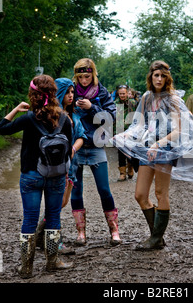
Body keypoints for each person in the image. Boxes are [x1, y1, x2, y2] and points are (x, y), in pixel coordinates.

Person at [111, 60, 193, 251]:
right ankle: (157, 236)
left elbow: (179, 130)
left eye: (163, 76)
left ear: (167, 78)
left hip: (165, 149)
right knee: (140, 195)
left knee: (161, 192)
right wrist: (125, 135)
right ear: (151, 76)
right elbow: (139, 124)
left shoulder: (173, 99)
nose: (159, 79)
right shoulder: (146, 97)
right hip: (148, 148)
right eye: (156, 75)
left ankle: (155, 238)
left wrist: (158, 144)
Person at [0, 74, 72, 278]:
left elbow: (1, 129)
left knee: (30, 218)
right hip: (56, 175)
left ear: (33, 95)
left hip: (31, 175)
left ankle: (26, 267)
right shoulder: (65, 119)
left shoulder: (29, 118)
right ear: (55, 94)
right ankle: (52, 261)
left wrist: (15, 110)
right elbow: (69, 150)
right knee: (53, 217)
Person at [70, 58, 121, 246]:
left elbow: (111, 117)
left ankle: (114, 230)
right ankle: (81, 232)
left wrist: (92, 108)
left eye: (88, 76)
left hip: (96, 146)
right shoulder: (70, 90)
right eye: (80, 76)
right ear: (76, 76)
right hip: (75, 147)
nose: (84, 80)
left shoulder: (102, 92)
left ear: (93, 74)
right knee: (76, 191)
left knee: (104, 189)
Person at [34, 78, 87, 254]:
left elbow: (81, 136)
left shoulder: (75, 114)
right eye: (68, 92)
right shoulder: (52, 114)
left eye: (73, 92)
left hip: (71, 165)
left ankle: (39, 237)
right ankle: (54, 242)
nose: (71, 95)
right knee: (56, 204)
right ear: (60, 93)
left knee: (62, 202)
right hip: (55, 166)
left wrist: (72, 148)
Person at [114, 84, 138, 180]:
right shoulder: (115, 103)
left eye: (123, 93)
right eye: (120, 94)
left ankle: (130, 168)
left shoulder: (133, 103)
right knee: (121, 151)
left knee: (130, 150)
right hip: (119, 130)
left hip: (130, 130)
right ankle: (122, 173)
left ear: (127, 93)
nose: (122, 95)